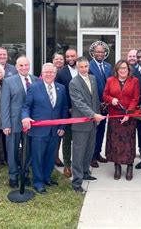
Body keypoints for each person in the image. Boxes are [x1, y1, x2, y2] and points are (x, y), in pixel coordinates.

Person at [22, 63, 68, 194]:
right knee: (37, 157)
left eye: (51, 72)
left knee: (51, 156)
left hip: (55, 130)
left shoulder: (61, 88)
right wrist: (25, 117)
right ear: (42, 73)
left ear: (55, 74)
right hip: (38, 131)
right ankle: (38, 182)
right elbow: (26, 106)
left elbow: (64, 108)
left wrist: (62, 126)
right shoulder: (34, 87)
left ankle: (47, 177)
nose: (49, 74)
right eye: (46, 72)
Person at [69, 56, 106, 194]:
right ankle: (76, 182)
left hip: (92, 123)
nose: (84, 69)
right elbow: (79, 103)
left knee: (89, 150)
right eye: (81, 67)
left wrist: (97, 113)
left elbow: (95, 99)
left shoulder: (93, 79)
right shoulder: (73, 83)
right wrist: (93, 114)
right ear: (77, 67)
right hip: (80, 124)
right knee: (78, 153)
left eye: (86, 66)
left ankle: (85, 172)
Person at [1, 56, 38, 188]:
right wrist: (5, 124)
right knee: (12, 150)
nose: (23, 68)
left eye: (26, 65)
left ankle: (25, 174)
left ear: (29, 66)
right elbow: (4, 104)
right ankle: (13, 176)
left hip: (31, 123)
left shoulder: (35, 80)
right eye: (21, 65)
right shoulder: (8, 82)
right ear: (16, 67)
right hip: (14, 123)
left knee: (28, 150)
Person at [103, 60, 140, 180]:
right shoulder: (110, 80)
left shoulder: (134, 81)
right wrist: (111, 99)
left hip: (129, 117)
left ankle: (129, 166)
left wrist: (128, 113)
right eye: (120, 68)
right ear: (116, 70)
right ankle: (117, 166)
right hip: (115, 116)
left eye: (125, 68)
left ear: (128, 70)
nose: (123, 70)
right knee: (115, 143)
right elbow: (105, 95)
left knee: (128, 142)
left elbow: (135, 98)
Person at [89, 43, 112, 167]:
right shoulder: (89, 66)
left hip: (106, 105)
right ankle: (91, 155)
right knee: (94, 131)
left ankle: (97, 152)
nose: (100, 54)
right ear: (93, 53)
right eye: (97, 52)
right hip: (94, 104)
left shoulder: (108, 66)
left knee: (102, 129)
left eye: (102, 52)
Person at [55, 48, 78, 178]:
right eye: (67, 57)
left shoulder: (83, 69)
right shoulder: (61, 73)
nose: (70, 59)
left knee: (79, 141)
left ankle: (78, 165)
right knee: (67, 140)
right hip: (68, 112)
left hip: (82, 113)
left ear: (77, 56)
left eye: (72, 56)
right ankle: (67, 166)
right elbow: (60, 94)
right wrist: (66, 109)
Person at [52, 52, 65, 168]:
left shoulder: (65, 72)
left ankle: (56, 156)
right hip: (50, 110)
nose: (59, 61)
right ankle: (53, 156)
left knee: (60, 134)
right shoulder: (48, 71)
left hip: (62, 107)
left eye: (61, 59)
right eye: (57, 59)